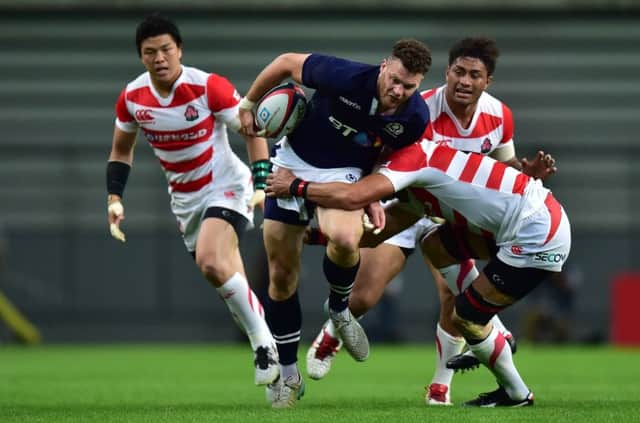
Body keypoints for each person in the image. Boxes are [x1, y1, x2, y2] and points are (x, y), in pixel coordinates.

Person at [304, 37, 557, 405]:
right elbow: (384, 158)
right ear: (447, 72)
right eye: (458, 72)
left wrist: (526, 171)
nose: (464, 81)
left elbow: (501, 167)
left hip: (453, 216)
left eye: (474, 75)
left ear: (488, 82)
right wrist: (369, 198)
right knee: (365, 293)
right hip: (408, 207)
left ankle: (440, 387)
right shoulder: (419, 109)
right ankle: (332, 333)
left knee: (452, 295)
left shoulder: (499, 116)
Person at [266, 137, 571, 407]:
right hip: (524, 224)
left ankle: (515, 390)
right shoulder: (416, 187)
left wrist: (296, 186)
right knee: (436, 243)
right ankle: (490, 334)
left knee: (464, 317)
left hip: (536, 234)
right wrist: (317, 237)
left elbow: (352, 196)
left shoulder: (413, 160)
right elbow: (377, 234)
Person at [237, 40, 432, 408]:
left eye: (409, 86)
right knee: (281, 274)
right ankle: (289, 375)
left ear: (419, 83)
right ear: (383, 66)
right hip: (293, 162)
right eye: (394, 80)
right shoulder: (345, 76)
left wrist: (372, 193)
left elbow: (388, 156)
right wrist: (249, 103)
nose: (398, 91)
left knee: (345, 238)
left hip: (344, 175)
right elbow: (284, 61)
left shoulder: (415, 117)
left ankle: (339, 308)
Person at [105, 14, 279, 389]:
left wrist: (262, 179)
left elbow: (252, 129)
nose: (159, 58)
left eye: (166, 49)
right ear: (141, 57)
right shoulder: (133, 98)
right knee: (230, 285)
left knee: (210, 259)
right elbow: (121, 152)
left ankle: (264, 344)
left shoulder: (207, 87)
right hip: (185, 202)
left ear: (179, 50)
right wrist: (114, 198)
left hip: (228, 186)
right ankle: (278, 367)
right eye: (150, 52)